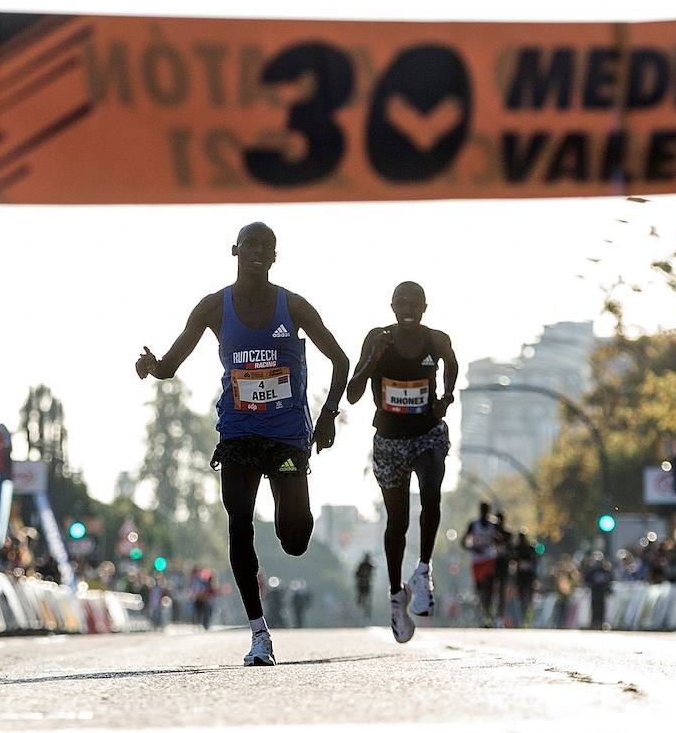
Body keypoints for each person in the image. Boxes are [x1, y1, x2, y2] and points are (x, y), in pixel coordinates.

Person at [135, 222, 349, 667]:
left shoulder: (294, 306)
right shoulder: (214, 307)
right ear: (234, 249)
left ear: (275, 257)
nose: (258, 251)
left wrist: (328, 413)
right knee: (239, 520)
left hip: (288, 440)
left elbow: (340, 359)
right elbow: (173, 364)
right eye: (251, 244)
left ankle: (294, 514)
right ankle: (258, 634)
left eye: (267, 247)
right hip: (239, 434)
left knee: (294, 537)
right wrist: (152, 366)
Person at [346, 281, 457, 643]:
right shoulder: (378, 338)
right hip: (390, 439)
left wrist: (446, 397)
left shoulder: (437, 340)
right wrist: (372, 358)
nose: (408, 307)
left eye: (415, 302)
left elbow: (452, 366)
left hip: (427, 433)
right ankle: (397, 595)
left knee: (431, 492)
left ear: (425, 307)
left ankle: (423, 571)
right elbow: (353, 392)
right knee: (397, 521)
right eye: (402, 302)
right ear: (392, 306)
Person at [463, 502, 501, 626]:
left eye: (486, 510)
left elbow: (501, 539)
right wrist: (473, 548)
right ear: (480, 511)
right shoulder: (473, 525)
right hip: (476, 560)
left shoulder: (493, 525)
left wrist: (496, 540)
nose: (484, 513)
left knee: (489, 587)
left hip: (489, 559)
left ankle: (488, 613)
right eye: (483, 510)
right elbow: (463, 542)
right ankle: (482, 611)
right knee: (479, 589)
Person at [355, 553, 375, 618]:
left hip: (366, 584)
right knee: (361, 597)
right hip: (362, 584)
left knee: (367, 598)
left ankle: (366, 612)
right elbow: (356, 574)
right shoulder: (362, 565)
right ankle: (359, 608)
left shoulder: (370, 565)